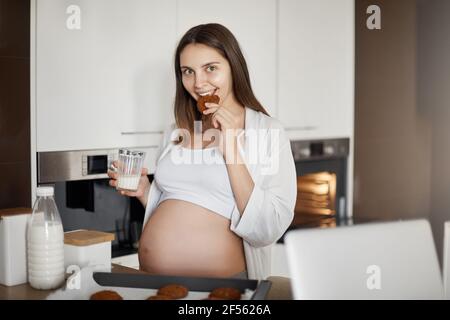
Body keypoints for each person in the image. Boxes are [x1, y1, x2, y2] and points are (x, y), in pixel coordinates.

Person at [108, 23, 297, 280]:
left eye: (211, 68)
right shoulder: (176, 131)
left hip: (223, 288)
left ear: (233, 67)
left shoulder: (268, 132)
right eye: (188, 71)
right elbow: (179, 199)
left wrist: (230, 145)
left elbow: (268, 228)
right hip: (153, 282)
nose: (198, 83)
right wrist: (145, 192)